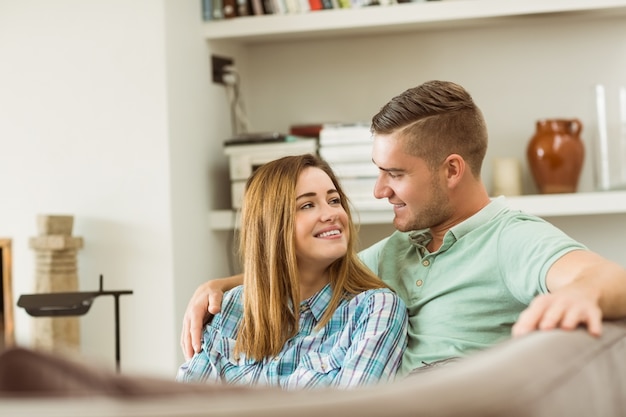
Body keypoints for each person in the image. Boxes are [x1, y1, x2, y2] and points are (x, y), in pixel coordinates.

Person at [182, 80, 626, 376]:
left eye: (394, 174)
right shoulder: (399, 248)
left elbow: (605, 276)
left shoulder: (512, 239)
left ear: (451, 170)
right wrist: (221, 285)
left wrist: (581, 293)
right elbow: (307, 269)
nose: (378, 191)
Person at [177, 154, 408, 389]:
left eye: (334, 200)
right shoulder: (231, 308)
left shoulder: (375, 310)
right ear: (272, 225)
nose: (331, 214)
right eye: (307, 205)